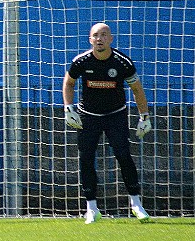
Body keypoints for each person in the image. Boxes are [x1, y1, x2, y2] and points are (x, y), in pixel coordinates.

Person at [62, 22, 152, 224]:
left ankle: (136, 204)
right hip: (88, 116)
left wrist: (144, 116)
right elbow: (69, 83)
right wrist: (69, 108)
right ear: (90, 39)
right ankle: (91, 208)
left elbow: (137, 89)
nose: (99, 39)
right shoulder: (81, 61)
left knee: (123, 156)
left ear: (111, 39)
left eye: (104, 35)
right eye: (95, 35)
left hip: (116, 115)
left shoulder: (123, 62)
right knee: (86, 158)